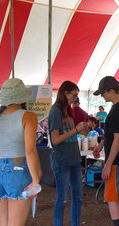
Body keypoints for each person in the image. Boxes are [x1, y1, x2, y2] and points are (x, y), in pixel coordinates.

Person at [0, 78, 42, 226]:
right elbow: (30, 150)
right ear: (22, 97)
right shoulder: (28, 116)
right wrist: (36, 179)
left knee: (3, 223)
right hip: (18, 170)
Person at [48, 81, 88, 226]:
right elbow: (55, 140)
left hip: (74, 160)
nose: (75, 99)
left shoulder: (67, 110)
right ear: (65, 93)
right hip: (62, 161)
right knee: (62, 199)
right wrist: (75, 130)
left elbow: (72, 134)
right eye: (74, 95)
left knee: (78, 198)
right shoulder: (56, 111)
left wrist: (84, 128)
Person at [92, 76, 119, 226]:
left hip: (116, 160)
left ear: (112, 91)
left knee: (111, 197)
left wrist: (108, 164)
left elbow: (118, 138)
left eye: (104, 92)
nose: (102, 95)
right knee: (118, 194)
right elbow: (112, 135)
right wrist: (101, 145)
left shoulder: (116, 111)